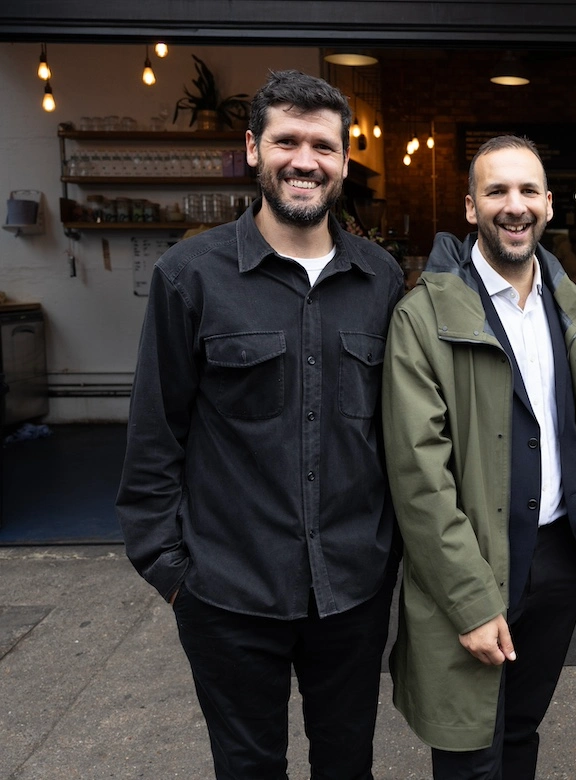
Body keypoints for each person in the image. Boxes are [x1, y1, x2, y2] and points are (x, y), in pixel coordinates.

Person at [115, 70, 405, 778]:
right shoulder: (192, 276)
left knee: (348, 764)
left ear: (344, 161)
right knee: (248, 769)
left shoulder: (381, 280)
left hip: (350, 591)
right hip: (229, 591)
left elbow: (396, 436)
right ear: (254, 148)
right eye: (287, 141)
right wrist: (172, 570)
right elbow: (156, 434)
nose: (304, 160)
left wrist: (386, 553)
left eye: (322, 146)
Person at [382, 135, 576, 779]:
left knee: (521, 733)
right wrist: (472, 600)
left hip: (557, 557)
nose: (515, 206)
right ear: (470, 206)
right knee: (469, 752)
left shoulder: (570, 306)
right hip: (474, 570)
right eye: (497, 191)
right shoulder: (423, 319)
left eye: (528, 190)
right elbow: (419, 478)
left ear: (549, 203)